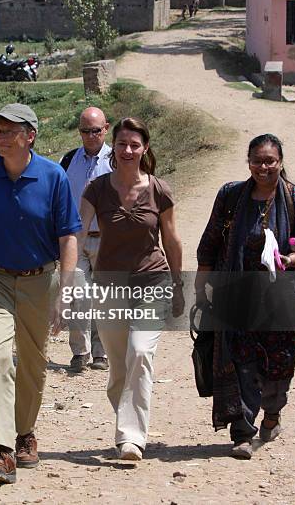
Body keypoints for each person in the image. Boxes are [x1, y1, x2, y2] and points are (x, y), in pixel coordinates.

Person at [0, 103, 81, 484]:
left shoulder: (53, 177)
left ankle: (25, 434)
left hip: (40, 279)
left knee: (34, 364)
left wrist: (65, 292)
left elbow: (68, 235)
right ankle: (4, 451)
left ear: (30, 136)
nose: (0, 137)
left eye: (9, 131)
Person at [77, 117, 184, 461]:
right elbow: (77, 233)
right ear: (115, 146)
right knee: (119, 368)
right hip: (109, 285)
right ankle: (127, 419)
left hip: (152, 281)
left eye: (134, 145)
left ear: (145, 148)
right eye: (122, 144)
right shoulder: (96, 189)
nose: (127, 150)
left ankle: (131, 437)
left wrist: (179, 285)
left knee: (140, 352)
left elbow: (172, 239)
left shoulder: (159, 190)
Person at [196, 134, 295, 460]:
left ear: (280, 162)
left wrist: (291, 260)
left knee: (277, 371)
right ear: (249, 162)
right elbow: (211, 243)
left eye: (269, 160)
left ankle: (272, 414)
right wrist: (201, 290)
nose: (263, 167)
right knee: (240, 362)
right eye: (257, 160)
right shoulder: (231, 196)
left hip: (281, 302)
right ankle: (242, 431)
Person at [60, 107, 111, 372]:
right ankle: (80, 352)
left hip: (107, 240)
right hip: (75, 239)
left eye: (96, 130)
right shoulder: (67, 160)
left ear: (106, 128)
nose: (90, 135)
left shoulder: (118, 158)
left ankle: (101, 353)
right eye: (85, 130)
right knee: (78, 294)